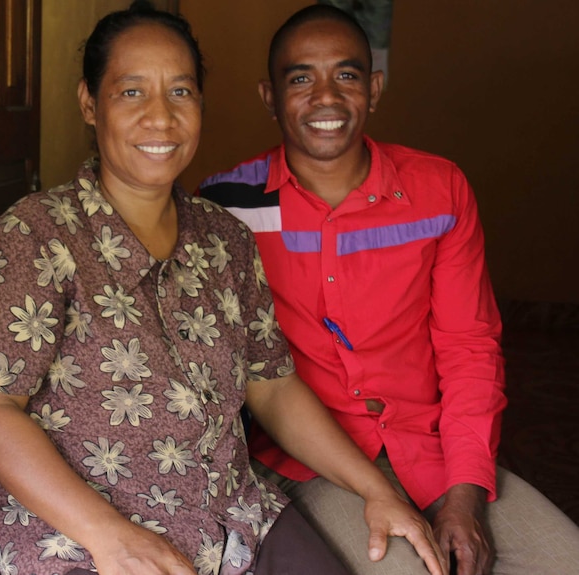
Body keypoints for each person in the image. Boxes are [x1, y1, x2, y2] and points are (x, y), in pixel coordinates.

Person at [0, 3, 447, 575]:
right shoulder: (33, 235)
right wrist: (110, 537)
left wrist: (375, 490)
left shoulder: (225, 239)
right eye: (132, 92)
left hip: (232, 519)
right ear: (90, 102)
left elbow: (273, 388)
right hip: (71, 537)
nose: (161, 118)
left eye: (181, 92)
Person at [198, 5, 579, 575]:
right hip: (311, 462)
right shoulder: (228, 205)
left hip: (432, 451)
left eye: (346, 76)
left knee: (563, 559)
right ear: (269, 97)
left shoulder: (438, 192)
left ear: (373, 89)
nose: (325, 98)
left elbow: (469, 346)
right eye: (300, 78)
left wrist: (466, 493)